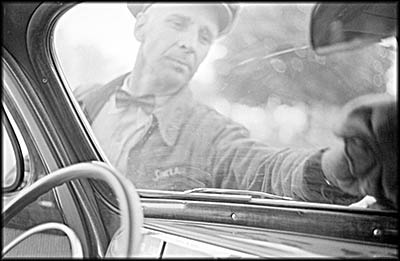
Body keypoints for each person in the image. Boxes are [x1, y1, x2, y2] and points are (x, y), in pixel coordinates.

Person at [75, 3, 397, 209]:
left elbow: (268, 169)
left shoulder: (210, 133)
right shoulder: (80, 102)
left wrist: (342, 165)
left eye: (204, 37)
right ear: (140, 25)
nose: (190, 44)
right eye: (177, 23)